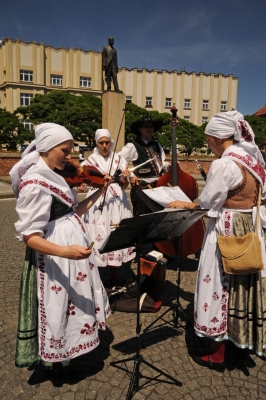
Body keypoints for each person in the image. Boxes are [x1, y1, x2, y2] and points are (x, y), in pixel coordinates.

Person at [9, 123, 111, 379]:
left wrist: (100, 191)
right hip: (54, 257)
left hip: (71, 254)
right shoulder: (35, 184)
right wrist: (66, 252)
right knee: (57, 305)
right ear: (45, 148)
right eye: (64, 150)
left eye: (70, 150)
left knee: (71, 303)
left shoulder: (56, 175)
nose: (70, 156)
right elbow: (30, 236)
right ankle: (57, 359)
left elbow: (72, 212)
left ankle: (68, 352)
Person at [168, 110, 266, 368]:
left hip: (227, 227)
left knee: (219, 286)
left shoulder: (224, 163)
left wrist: (185, 204)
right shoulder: (253, 160)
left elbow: (209, 203)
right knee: (241, 285)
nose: (208, 144)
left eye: (208, 138)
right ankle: (240, 337)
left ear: (215, 137)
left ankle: (217, 349)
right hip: (249, 227)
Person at [81, 129, 135, 286]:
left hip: (117, 201)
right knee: (97, 233)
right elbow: (84, 183)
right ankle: (95, 273)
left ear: (111, 143)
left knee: (115, 232)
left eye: (107, 143)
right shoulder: (89, 161)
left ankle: (114, 274)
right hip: (97, 200)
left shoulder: (119, 159)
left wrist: (124, 178)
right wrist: (84, 185)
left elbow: (124, 185)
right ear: (96, 144)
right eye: (101, 143)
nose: (105, 146)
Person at [119, 116, 170, 216]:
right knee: (143, 219)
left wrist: (169, 166)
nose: (149, 128)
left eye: (151, 126)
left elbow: (162, 163)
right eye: (146, 126)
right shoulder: (132, 146)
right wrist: (131, 175)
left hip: (159, 187)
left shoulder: (157, 145)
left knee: (158, 218)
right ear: (140, 129)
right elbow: (119, 159)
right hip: (142, 188)